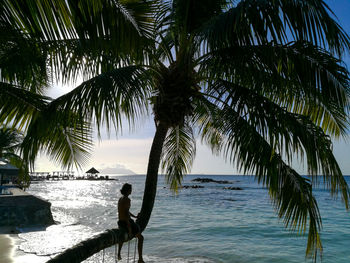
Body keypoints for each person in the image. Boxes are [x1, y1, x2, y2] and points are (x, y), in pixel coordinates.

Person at [118, 183, 144, 263]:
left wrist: (135, 217)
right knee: (141, 238)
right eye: (130, 189)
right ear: (128, 190)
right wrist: (129, 227)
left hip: (120, 222)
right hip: (126, 222)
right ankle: (140, 259)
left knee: (121, 237)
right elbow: (126, 213)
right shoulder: (127, 200)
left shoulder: (121, 199)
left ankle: (118, 253)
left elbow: (125, 211)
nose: (131, 191)